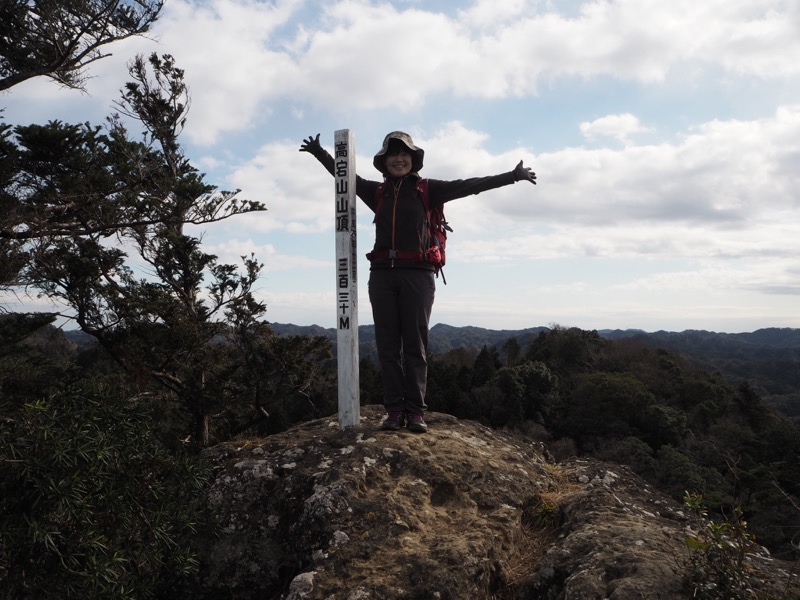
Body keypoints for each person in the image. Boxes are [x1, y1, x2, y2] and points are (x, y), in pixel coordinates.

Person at [300, 131, 536, 433]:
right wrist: (320, 154)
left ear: (413, 159)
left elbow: (470, 186)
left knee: (415, 344)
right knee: (387, 345)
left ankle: (415, 412)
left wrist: (512, 176)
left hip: (418, 274)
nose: (398, 159)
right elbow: (345, 176)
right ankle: (394, 410)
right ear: (384, 162)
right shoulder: (378, 193)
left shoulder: (428, 189)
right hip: (383, 274)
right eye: (392, 155)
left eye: (404, 154)